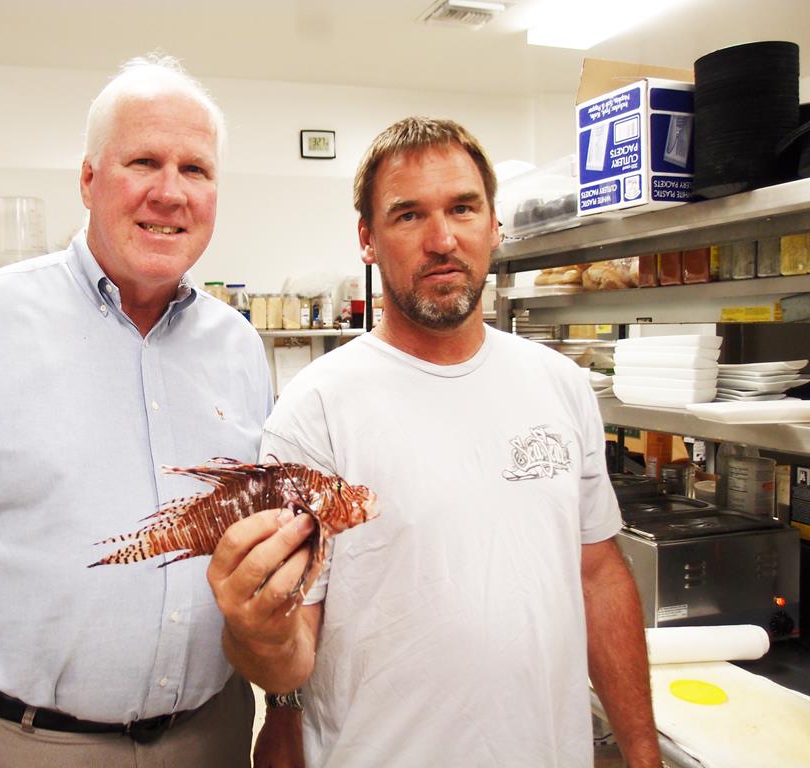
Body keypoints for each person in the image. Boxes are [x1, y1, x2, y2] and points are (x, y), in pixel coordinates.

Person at [0, 54, 273, 768]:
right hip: (27, 745)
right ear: (89, 180)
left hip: (212, 739)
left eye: (196, 170)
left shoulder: (241, 349)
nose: (170, 192)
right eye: (144, 162)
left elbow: (267, 563)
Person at [208, 117, 661, 767]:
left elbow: (599, 577)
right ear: (367, 239)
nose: (443, 239)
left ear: (494, 226)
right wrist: (253, 634)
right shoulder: (315, 414)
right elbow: (290, 655)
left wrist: (644, 755)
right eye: (409, 215)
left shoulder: (560, 387)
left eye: (463, 208)